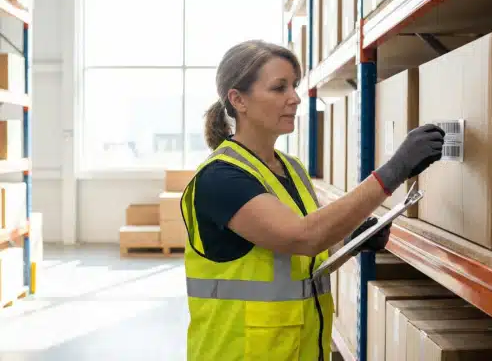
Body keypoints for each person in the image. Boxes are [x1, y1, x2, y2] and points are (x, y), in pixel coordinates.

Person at [180, 40, 445, 361]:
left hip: (301, 349)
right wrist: (394, 170)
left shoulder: (291, 169)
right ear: (238, 100)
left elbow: (304, 260)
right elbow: (303, 237)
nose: (294, 98)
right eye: (279, 88)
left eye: (294, 86)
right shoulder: (220, 178)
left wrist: (350, 241)